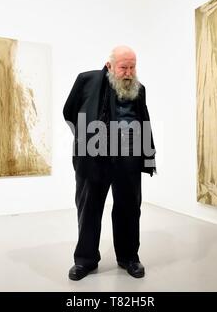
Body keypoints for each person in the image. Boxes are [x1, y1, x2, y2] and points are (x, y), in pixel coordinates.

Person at [63, 46, 156, 281]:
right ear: (109, 66)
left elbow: (142, 119)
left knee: (129, 208)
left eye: (132, 67)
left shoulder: (139, 89)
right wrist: (86, 138)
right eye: (123, 67)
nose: (128, 72)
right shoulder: (87, 80)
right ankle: (85, 260)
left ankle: (128, 258)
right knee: (89, 208)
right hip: (95, 157)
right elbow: (70, 111)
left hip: (129, 158)